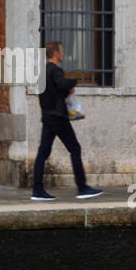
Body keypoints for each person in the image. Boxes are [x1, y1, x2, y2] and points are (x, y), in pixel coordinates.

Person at [31, 41, 102, 201]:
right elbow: (62, 84)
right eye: (61, 51)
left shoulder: (42, 72)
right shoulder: (55, 70)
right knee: (75, 149)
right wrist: (73, 83)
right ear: (55, 53)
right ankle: (82, 188)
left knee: (42, 153)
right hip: (58, 118)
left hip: (48, 116)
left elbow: (47, 94)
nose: (63, 54)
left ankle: (37, 190)